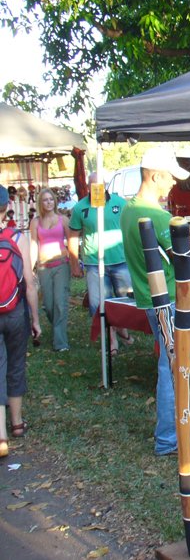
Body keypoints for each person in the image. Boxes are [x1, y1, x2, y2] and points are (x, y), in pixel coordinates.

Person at [120, 147, 190, 456]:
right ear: (155, 176)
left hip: (149, 298)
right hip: (172, 299)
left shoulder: (128, 210)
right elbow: (187, 258)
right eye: (170, 178)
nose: (172, 185)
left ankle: (173, 432)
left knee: (171, 363)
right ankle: (169, 437)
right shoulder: (158, 216)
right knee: (176, 366)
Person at [69, 172, 134, 355]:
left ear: (106, 184)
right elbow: (73, 235)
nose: (97, 187)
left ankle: (121, 328)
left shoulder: (119, 203)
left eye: (100, 184)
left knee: (124, 300)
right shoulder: (80, 208)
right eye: (93, 184)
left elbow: (132, 228)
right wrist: (75, 262)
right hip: (94, 264)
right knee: (100, 304)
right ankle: (111, 338)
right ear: (88, 186)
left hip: (120, 261)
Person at [0, 184, 41, 457]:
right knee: (15, 364)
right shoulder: (18, 237)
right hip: (15, 313)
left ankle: (0, 435)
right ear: (6, 207)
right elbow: (29, 283)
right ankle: (16, 424)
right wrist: (35, 319)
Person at [30, 188, 72, 352]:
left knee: (60, 302)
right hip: (43, 267)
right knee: (48, 305)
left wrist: (75, 264)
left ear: (55, 201)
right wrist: (30, 267)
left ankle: (60, 343)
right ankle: (58, 329)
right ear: (41, 203)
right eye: (45, 200)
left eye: (51, 199)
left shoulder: (64, 220)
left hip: (61, 264)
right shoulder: (35, 222)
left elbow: (72, 242)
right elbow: (34, 246)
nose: (48, 202)